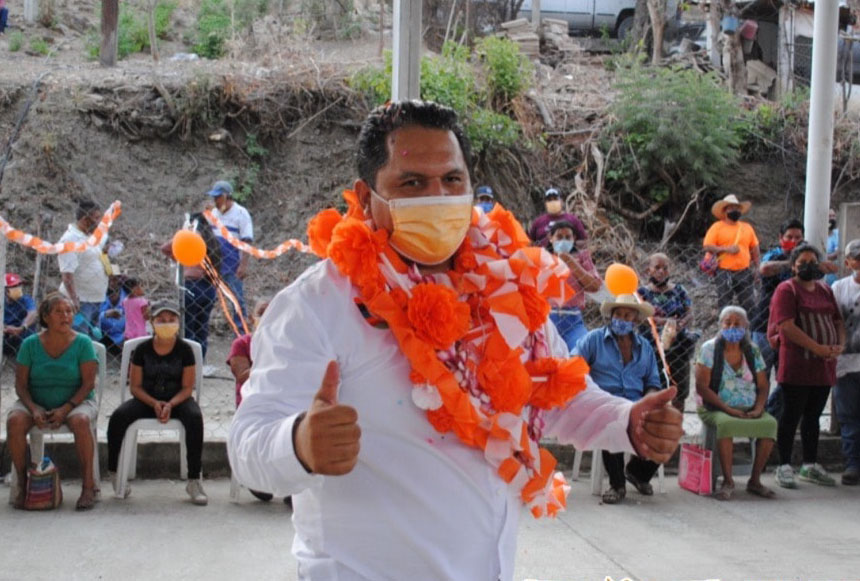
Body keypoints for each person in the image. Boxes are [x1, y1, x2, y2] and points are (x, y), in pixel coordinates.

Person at [228, 101, 682, 580]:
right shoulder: (318, 306)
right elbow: (247, 445)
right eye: (412, 183)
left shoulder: (507, 287)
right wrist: (297, 443)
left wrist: (626, 421)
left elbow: (555, 391)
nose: (437, 197)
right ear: (365, 198)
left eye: (451, 180)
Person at [107, 300, 207, 505]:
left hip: (177, 399)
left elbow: (188, 388)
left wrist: (170, 404)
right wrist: (154, 403)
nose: (167, 324)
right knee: (118, 417)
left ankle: (194, 480)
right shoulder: (143, 349)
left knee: (195, 418)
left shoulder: (185, 350)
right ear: (152, 323)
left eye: (171, 320)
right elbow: (135, 386)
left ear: (179, 323)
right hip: (146, 399)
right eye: (161, 320)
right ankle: (115, 473)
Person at [6, 293, 100, 510]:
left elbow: (88, 385)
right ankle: (23, 482)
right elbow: (20, 385)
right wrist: (33, 407)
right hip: (35, 401)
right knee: (15, 420)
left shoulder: (83, 343)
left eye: (69, 312)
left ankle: (88, 487)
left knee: (82, 421)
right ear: (46, 317)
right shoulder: (30, 344)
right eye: (59, 312)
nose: (65, 316)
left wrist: (66, 408)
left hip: (77, 402)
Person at [573, 294, 664, 504]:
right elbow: (574, 365)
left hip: (634, 404)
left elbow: (653, 382)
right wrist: (590, 391)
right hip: (602, 402)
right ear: (611, 317)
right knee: (612, 423)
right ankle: (617, 485)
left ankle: (636, 473)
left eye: (627, 316)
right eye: (618, 315)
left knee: (667, 425)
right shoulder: (594, 339)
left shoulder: (645, 348)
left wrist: (647, 403)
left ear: (635, 321)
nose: (622, 320)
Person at [769, 243, 844, 489]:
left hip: (823, 365)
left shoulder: (824, 290)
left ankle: (809, 465)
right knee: (791, 416)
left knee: (813, 417)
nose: (808, 267)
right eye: (802, 263)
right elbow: (787, 326)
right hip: (798, 364)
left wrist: (838, 345)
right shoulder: (787, 289)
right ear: (793, 267)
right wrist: (817, 348)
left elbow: (836, 320)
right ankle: (784, 466)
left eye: (813, 262)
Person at [695, 306, 777, 500]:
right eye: (728, 323)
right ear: (720, 326)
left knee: (770, 424)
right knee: (727, 423)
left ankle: (755, 481)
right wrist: (728, 409)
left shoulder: (752, 350)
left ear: (746, 326)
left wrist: (758, 408)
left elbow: (764, 385)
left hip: (747, 407)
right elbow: (702, 388)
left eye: (737, 324)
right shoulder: (709, 349)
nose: (732, 327)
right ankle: (728, 481)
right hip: (714, 406)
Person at [227, 299, 287, 504]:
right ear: (253, 318)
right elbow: (243, 376)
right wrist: (272, 358)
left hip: (283, 407)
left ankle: (289, 481)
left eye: (273, 312)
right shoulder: (242, 344)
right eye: (262, 312)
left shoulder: (288, 342)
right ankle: (256, 475)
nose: (267, 316)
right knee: (263, 493)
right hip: (251, 408)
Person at [638, 253, 699, 413]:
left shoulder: (679, 290)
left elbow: (689, 312)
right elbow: (639, 316)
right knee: (652, 387)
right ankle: (652, 422)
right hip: (651, 347)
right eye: (657, 267)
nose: (661, 271)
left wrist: (680, 324)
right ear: (648, 270)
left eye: (665, 268)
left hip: (677, 347)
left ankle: (677, 422)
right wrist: (666, 322)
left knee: (679, 390)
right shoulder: (642, 293)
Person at [161, 211, 222, 360]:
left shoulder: (190, 236)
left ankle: (189, 362)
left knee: (188, 327)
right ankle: (200, 361)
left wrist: (179, 258)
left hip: (191, 286)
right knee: (202, 327)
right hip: (208, 288)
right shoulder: (212, 240)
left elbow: (165, 248)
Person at [546, 220, 601, 351]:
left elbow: (595, 286)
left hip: (573, 319)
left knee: (580, 352)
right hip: (548, 319)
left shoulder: (582, 258)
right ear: (551, 238)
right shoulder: (542, 258)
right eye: (559, 237)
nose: (563, 241)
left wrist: (571, 262)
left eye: (567, 237)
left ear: (574, 239)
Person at [57, 200, 109, 338]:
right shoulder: (70, 240)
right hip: (81, 300)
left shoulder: (90, 236)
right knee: (80, 340)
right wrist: (74, 300)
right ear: (86, 219)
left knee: (93, 341)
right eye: (97, 218)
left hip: (96, 298)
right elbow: (67, 274)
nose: (100, 222)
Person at [207, 180, 254, 331]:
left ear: (227, 196)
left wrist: (243, 264)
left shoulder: (241, 214)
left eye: (218, 197)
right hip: (214, 264)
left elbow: (247, 240)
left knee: (237, 300)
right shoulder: (214, 213)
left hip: (233, 264)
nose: (215, 201)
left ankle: (241, 331)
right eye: (214, 198)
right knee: (208, 298)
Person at [702, 194, 760, 314]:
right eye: (732, 208)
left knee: (749, 303)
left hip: (744, 271)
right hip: (723, 271)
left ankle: (752, 330)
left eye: (737, 208)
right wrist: (726, 249)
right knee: (725, 303)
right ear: (725, 210)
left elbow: (755, 248)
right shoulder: (717, 227)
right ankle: (725, 330)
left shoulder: (747, 227)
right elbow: (707, 246)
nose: (735, 210)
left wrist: (757, 267)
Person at [832, 239, 860, 485]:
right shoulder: (839, 288)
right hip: (846, 361)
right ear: (848, 261)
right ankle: (852, 464)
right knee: (849, 415)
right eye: (857, 258)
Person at [3, 273, 37, 357]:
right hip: (7, 336)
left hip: (22, 334)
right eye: (14, 286)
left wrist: (22, 328)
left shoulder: (25, 299)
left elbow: (33, 313)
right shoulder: (2, 302)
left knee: (31, 324)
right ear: (5, 290)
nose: (18, 288)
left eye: (19, 285)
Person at [98, 275, 127, 356]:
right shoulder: (98, 297)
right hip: (101, 336)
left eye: (114, 279)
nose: (111, 283)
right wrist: (105, 314)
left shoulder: (127, 297)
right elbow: (89, 320)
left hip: (123, 336)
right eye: (108, 280)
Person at [826, 208, 840, 286]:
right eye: (829, 216)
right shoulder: (820, 234)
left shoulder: (838, 233)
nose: (832, 218)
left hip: (835, 270)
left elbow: (839, 252)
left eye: (833, 216)